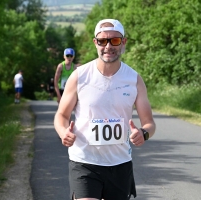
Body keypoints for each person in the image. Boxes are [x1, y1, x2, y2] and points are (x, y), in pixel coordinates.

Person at [54, 19, 156, 200]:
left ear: (123, 42)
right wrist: (63, 132)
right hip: (84, 161)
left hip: (119, 164)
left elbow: (149, 123)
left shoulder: (134, 79)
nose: (108, 46)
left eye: (114, 41)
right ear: (95, 43)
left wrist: (144, 133)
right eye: (102, 41)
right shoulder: (80, 76)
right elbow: (61, 115)